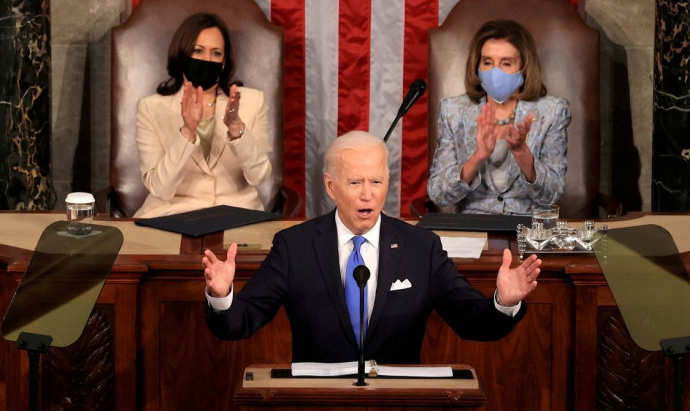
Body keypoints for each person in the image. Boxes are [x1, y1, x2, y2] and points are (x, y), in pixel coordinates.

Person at [202, 131, 541, 364]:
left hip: (399, 405)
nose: (368, 194)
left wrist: (503, 303)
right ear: (331, 186)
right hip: (317, 404)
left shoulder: (421, 247)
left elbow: (474, 323)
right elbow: (239, 323)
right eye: (355, 182)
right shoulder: (295, 246)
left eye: (376, 181)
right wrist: (221, 295)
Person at [134, 13, 272, 218]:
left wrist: (236, 128)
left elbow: (260, 176)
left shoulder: (253, 102)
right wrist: (187, 132)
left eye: (216, 53)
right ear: (182, 55)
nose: (207, 60)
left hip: (236, 216)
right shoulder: (150, 108)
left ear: (224, 61)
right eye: (198, 51)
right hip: (171, 216)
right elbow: (161, 189)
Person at [427, 19, 571, 215]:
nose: (495, 72)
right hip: (473, 226)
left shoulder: (551, 112)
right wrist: (476, 158)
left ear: (524, 67)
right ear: (477, 66)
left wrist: (523, 155)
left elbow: (553, 194)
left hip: (528, 228)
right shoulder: (454, 111)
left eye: (506, 63)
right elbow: (438, 195)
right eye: (487, 62)